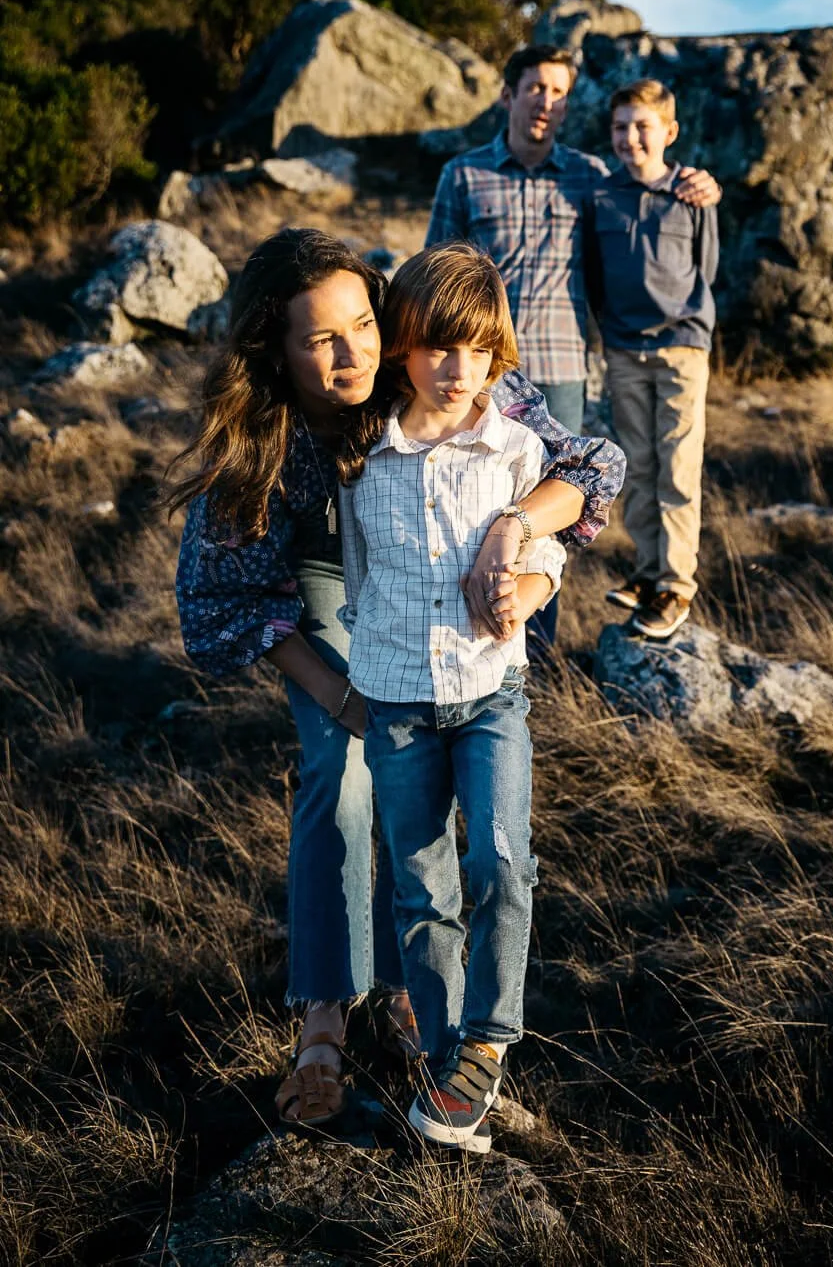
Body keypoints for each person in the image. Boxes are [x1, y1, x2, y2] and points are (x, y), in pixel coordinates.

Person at [170, 228, 625, 1132]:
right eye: (321, 339)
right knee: (340, 767)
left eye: (365, 324)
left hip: (445, 565)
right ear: (276, 347)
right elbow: (231, 596)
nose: (358, 353)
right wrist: (341, 696)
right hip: (317, 572)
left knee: (454, 824)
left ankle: (425, 1005)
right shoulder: (266, 431)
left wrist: (516, 544)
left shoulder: (430, 351)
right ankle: (327, 1015)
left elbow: (584, 464)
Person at [339, 244, 566, 1156]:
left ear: (498, 356)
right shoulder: (366, 456)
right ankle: (442, 1055)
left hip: (489, 694)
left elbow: (548, 558)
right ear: (403, 349)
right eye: (436, 347)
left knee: (502, 864)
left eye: (474, 351)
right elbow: (354, 575)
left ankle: (490, 1037)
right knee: (422, 885)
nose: (455, 369)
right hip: (395, 701)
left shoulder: (512, 449)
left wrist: (527, 590)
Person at [425, 43, 721, 644]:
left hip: (561, 367)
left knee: (549, 512)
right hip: (481, 373)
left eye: (559, 92)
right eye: (535, 87)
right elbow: (434, 272)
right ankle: (460, 637)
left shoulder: (591, 176)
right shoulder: (463, 174)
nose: (547, 101)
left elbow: (650, 181)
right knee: (468, 503)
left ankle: (533, 645)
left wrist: (696, 181)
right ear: (508, 95)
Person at [590, 79, 719, 640]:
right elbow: (594, 273)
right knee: (638, 465)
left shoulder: (690, 194)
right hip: (623, 349)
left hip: (681, 348)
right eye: (620, 127)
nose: (630, 137)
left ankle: (675, 586)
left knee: (678, 467)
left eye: (643, 126)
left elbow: (705, 266)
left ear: (669, 132)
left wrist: (683, 321)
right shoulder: (600, 196)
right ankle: (646, 571)